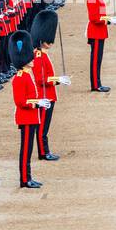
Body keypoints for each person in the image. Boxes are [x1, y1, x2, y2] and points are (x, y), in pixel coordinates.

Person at [30, 9, 69, 160]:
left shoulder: (41, 55)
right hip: (44, 96)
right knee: (42, 128)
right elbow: (41, 80)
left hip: (49, 95)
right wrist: (58, 80)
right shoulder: (38, 56)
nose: (50, 42)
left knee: (44, 127)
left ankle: (44, 150)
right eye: (48, 40)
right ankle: (43, 152)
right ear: (41, 39)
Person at [9, 30, 45, 188]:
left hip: (31, 117)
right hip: (26, 117)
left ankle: (28, 176)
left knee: (28, 150)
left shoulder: (26, 74)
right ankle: (25, 179)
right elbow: (20, 101)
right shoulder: (19, 78)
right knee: (25, 150)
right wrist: (37, 104)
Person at [84, 0, 116, 93]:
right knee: (96, 59)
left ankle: (97, 82)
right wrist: (108, 19)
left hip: (100, 31)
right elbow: (94, 18)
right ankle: (95, 84)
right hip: (96, 31)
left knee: (98, 59)